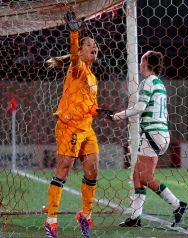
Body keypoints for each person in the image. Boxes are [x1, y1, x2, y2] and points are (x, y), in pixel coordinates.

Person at [43, 12, 113, 238]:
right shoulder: (77, 68)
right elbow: (73, 56)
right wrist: (75, 33)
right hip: (69, 126)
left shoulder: (93, 78)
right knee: (63, 169)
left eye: (96, 46)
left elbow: (89, 106)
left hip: (86, 128)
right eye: (89, 45)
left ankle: (85, 215)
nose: (94, 48)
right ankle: (51, 220)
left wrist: (100, 111)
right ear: (81, 51)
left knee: (92, 171)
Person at [109, 50, 188, 228]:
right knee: (138, 176)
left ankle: (177, 205)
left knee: (145, 177)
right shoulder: (159, 83)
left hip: (153, 134)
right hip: (159, 133)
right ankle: (136, 218)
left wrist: (117, 116)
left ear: (145, 62)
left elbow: (140, 107)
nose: (139, 64)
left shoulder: (148, 82)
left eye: (140, 60)